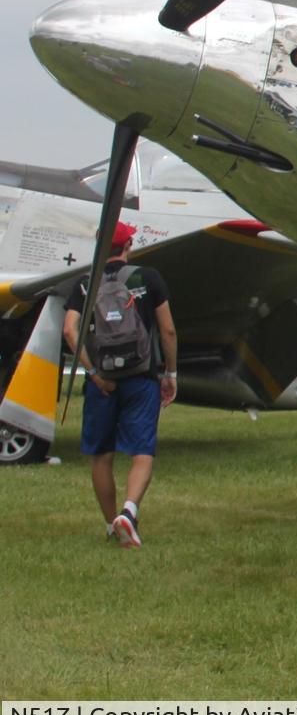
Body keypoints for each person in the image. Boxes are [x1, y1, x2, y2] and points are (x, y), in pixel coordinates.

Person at [62, 222, 178, 549]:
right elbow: (167, 330)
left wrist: (94, 373)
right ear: (128, 245)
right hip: (141, 378)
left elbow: (70, 331)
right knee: (142, 451)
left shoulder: (84, 284)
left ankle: (110, 523)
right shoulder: (148, 278)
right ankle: (129, 511)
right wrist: (171, 374)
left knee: (101, 455)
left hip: (103, 382)